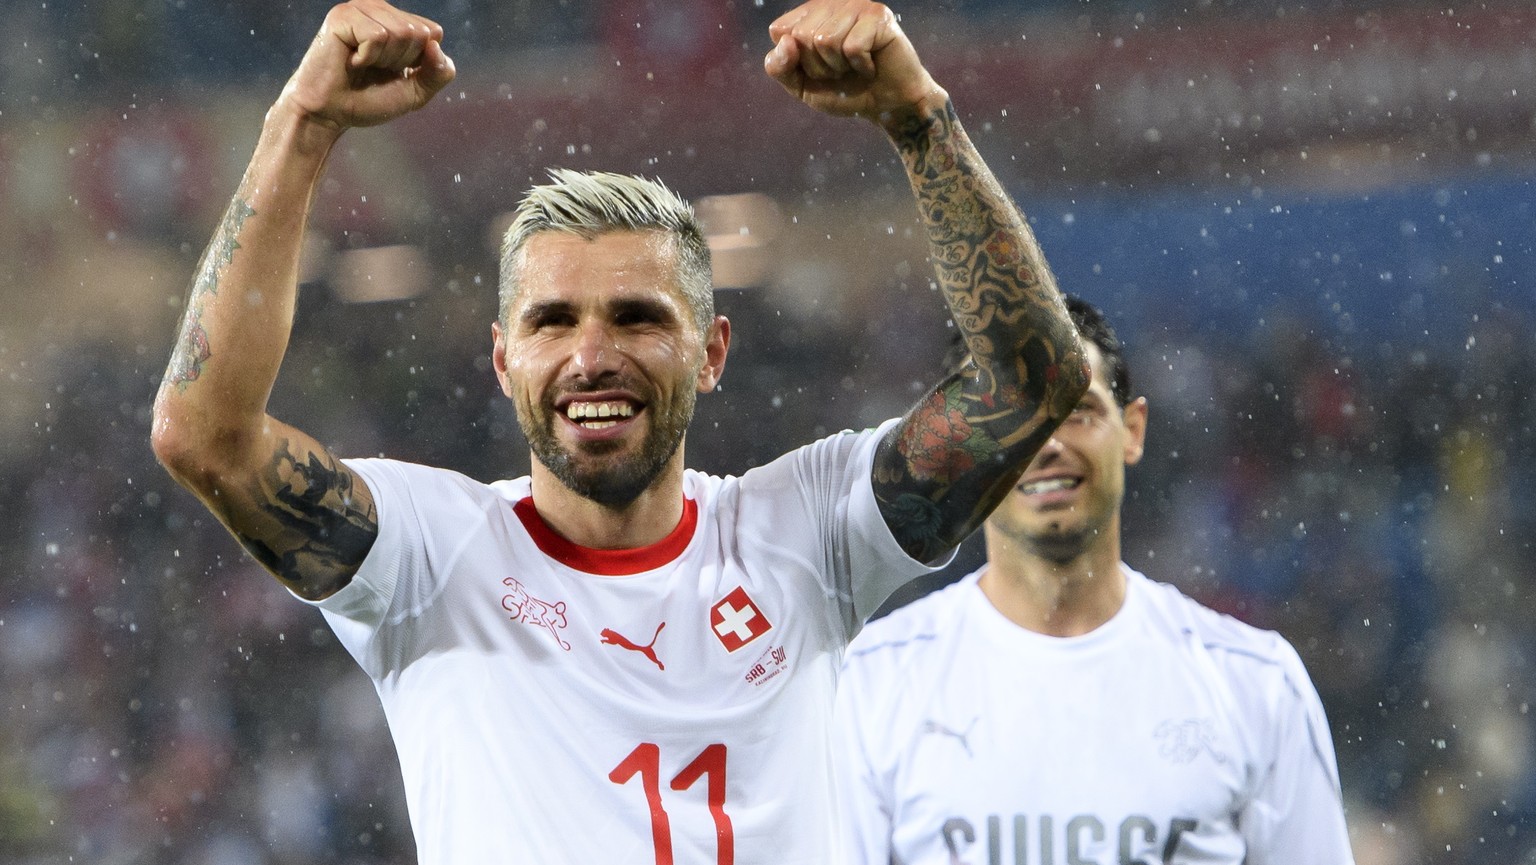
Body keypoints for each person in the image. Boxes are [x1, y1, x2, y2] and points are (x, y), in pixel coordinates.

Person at [149, 0, 1090, 862]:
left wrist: (920, 119)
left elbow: (1033, 383)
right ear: (502, 358)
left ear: (713, 351)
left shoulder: (805, 530)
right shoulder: (429, 555)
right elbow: (205, 434)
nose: (591, 356)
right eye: (552, 321)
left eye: (638, 317)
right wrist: (301, 126)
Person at [833, 297, 1356, 865]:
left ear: (1132, 430)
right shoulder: (871, 688)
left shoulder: (1258, 687)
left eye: (1076, 412)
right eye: (1010, 419)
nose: (1047, 444)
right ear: (965, 453)